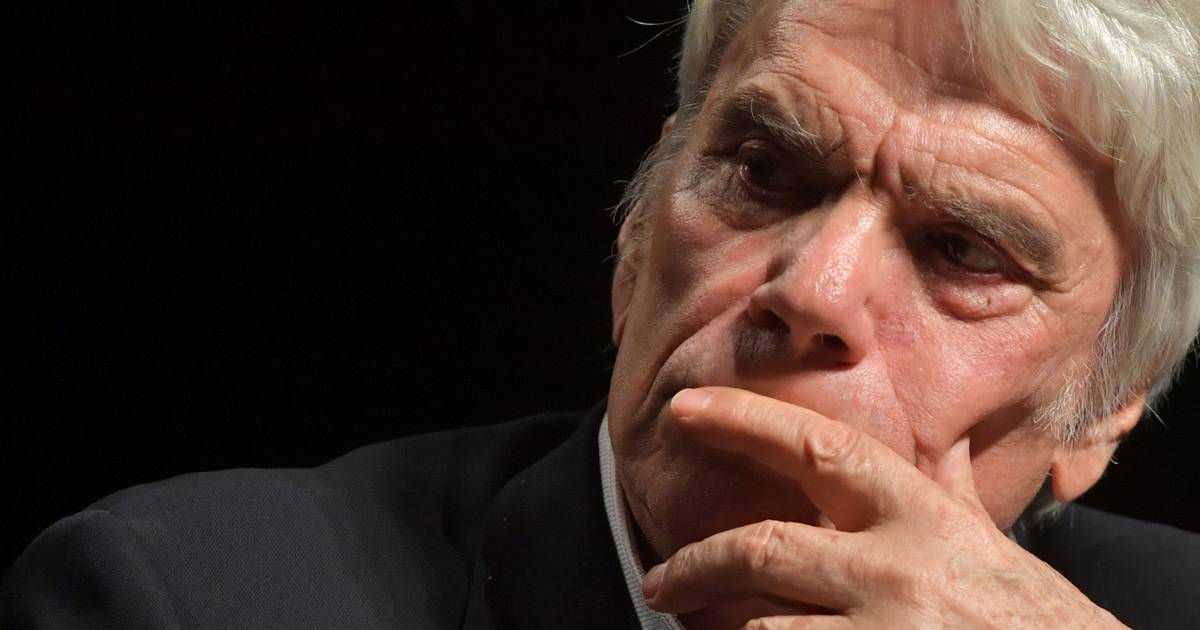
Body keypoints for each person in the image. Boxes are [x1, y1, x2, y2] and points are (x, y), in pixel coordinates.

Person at [4, 0, 1199, 628]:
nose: (814, 290)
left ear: (1103, 407)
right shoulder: (184, 600)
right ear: (634, 242)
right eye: (764, 171)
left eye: (963, 250)